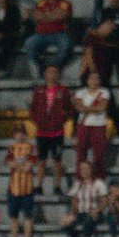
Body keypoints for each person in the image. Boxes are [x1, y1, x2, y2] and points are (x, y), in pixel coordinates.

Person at [30, 65, 71, 195]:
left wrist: (61, 119)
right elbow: (33, 108)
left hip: (57, 131)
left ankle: (57, 186)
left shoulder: (63, 90)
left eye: (54, 72)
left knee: (57, 160)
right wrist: (38, 120)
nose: (52, 74)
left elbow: (69, 108)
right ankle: (39, 186)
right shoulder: (38, 91)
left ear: (58, 75)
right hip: (42, 131)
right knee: (41, 159)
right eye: (49, 72)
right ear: (45, 75)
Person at [61, 160, 107, 237]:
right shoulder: (78, 184)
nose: (84, 171)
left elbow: (105, 201)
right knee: (66, 224)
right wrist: (72, 214)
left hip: (95, 212)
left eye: (86, 169)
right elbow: (74, 201)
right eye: (82, 169)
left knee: (88, 220)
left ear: (91, 170)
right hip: (81, 213)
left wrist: (97, 210)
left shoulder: (98, 183)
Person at [73, 71, 110, 178]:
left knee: (99, 156)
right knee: (81, 155)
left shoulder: (104, 92)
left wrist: (86, 109)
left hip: (99, 125)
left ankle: (99, 180)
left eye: (97, 78)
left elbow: (102, 108)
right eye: (92, 79)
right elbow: (79, 108)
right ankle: (80, 180)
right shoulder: (81, 92)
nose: (94, 81)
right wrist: (94, 109)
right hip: (83, 125)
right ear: (87, 81)